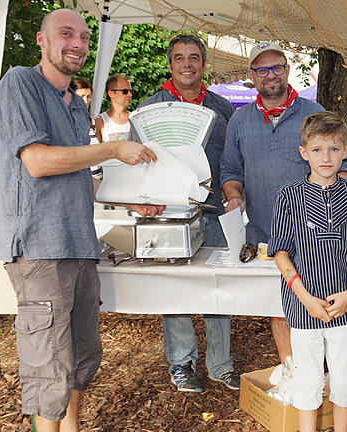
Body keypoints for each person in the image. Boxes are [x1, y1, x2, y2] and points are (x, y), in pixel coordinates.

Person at [0, 9, 162, 432]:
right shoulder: (20, 83)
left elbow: (76, 178)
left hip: (79, 245)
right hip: (40, 247)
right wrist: (111, 150)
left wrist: (130, 203)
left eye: (85, 37)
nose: (78, 43)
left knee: (81, 358)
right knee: (49, 365)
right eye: (66, 33)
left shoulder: (74, 105)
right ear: (41, 40)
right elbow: (37, 161)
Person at [220, 41, 347, 367]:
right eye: (262, 70)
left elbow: (339, 163)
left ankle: (330, 372)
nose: (271, 75)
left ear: (287, 70)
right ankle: (296, 372)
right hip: (264, 231)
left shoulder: (314, 113)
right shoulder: (240, 121)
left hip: (316, 231)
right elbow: (230, 170)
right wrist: (233, 194)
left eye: (277, 67)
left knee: (322, 299)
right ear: (252, 76)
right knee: (279, 306)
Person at [137, 34, 240, 393]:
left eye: (194, 57)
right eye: (179, 58)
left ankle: (221, 365)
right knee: (176, 290)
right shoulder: (150, 109)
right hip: (168, 214)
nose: (187, 64)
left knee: (217, 287)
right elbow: (138, 163)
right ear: (170, 65)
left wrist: (234, 191)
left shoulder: (223, 108)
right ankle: (182, 363)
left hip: (213, 210)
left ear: (204, 64)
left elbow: (232, 159)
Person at [268, 111, 347, 432]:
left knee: (345, 376)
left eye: (333, 149)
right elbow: (280, 252)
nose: (326, 157)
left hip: (345, 305)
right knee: (307, 377)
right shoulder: (289, 196)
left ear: (346, 150)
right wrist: (304, 297)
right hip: (303, 308)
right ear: (304, 153)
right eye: (317, 150)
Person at [95, 74, 132, 142]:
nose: (130, 95)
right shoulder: (100, 121)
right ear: (111, 93)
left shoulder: (134, 118)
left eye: (131, 91)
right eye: (125, 91)